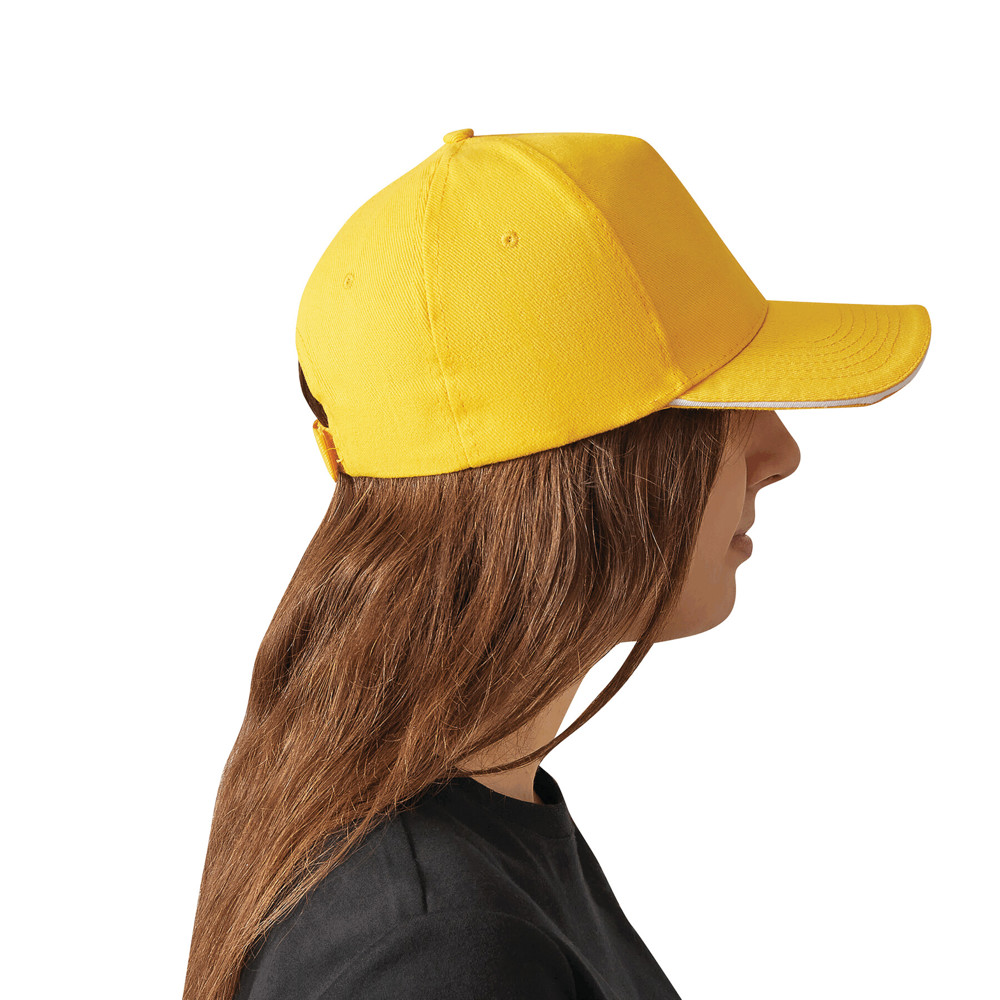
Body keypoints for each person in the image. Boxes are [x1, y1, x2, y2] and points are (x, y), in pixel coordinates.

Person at [182, 128, 930, 1000]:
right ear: (570, 475)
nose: (782, 451)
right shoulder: (442, 950)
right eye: (713, 405)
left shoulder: (481, 820)